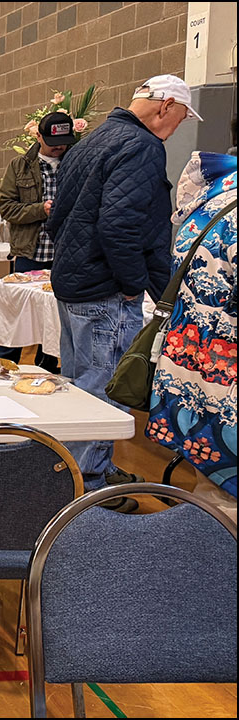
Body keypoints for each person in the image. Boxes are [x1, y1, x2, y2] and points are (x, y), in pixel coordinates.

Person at [48, 74, 199, 509]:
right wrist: (134, 284)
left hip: (75, 282)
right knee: (103, 392)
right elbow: (119, 226)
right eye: (181, 117)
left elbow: (57, 218)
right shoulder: (142, 146)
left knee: (78, 388)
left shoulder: (92, 141)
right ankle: (88, 488)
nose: (178, 127)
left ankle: (84, 468)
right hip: (104, 289)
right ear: (165, 106)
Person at [147, 151, 235, 519]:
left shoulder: (212, 196)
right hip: (226, 381)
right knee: (226, 505)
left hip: (193, 367)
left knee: (213, 492)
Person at [0, 111, 76, 373]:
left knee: (52, 319)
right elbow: (6, 208)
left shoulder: (76, 163)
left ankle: (46, 368)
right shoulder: (19, 166)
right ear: (38, 136)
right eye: (52, 143)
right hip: (30, 254)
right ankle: (5, 367)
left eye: (63, 142)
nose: (58, 148)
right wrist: (42, 210)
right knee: (17, 315)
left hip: (65, 255)